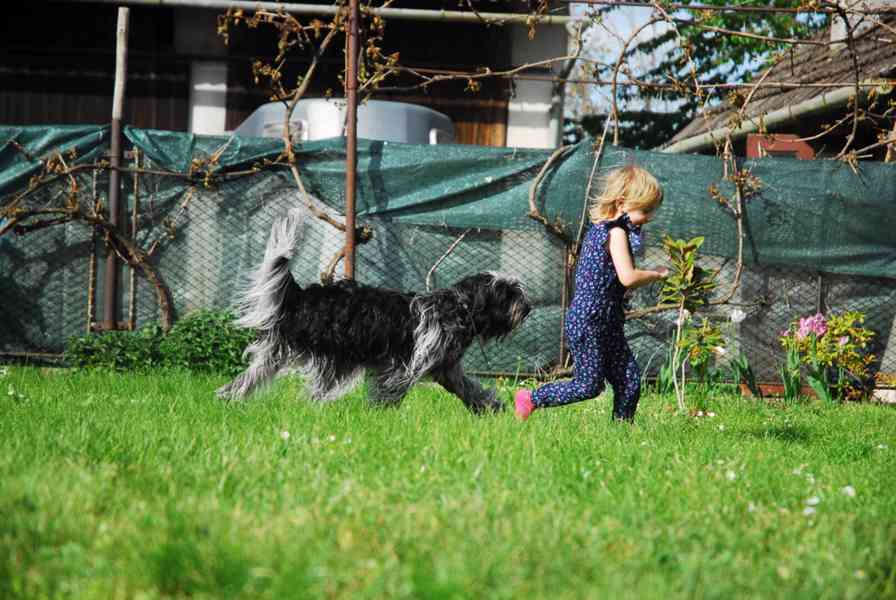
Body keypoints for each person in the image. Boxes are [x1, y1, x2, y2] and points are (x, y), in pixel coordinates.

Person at [515, 164, 668, 422]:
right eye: (645, 210)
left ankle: (622, 430)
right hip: (589, 321)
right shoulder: (615, 232)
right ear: (622, 203)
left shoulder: (604, 230)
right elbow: (628, 276)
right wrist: (657, 274)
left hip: (607, 320)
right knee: (588, 385)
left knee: (629, 380)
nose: (649, 217)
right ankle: (531, 398)